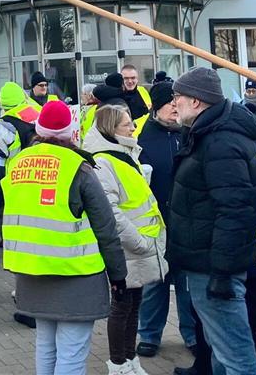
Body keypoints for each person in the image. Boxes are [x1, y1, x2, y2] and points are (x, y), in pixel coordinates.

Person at [2, 100, 128, 375]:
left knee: (46, 345)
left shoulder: (16, 164)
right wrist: (118, 276)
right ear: (71, 132)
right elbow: (105, 227)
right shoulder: (78, 167)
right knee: (72, 352)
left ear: (38, 129)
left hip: (31, 272)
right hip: (75, 276)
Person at [166, 67, 256, 375]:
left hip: (214, 266)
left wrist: (221, 272)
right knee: (222, 349)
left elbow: (234, 210)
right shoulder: (207, 134)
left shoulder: (220, 143)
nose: (173, 104)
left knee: (235, 355)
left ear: (196, 102)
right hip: (206, 261)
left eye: (177, 97)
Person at [84, 102, 165, 375]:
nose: (132, 127)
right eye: (126, 124)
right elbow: (110, 211)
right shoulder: (104, 161)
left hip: (138, 246)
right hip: (127, 247)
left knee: (134, 305)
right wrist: (139, 242)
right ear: (111, 129)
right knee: (122, 306)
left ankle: (130, 359)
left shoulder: (125, 155)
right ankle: (118, 364)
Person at [134, 81, 197, 358]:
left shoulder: (189, 133)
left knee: (186, 284)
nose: (175, 106)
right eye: (169, 102)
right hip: (155, 223)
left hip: (186, 221)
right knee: (155, 283)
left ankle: (192, 333)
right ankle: (149, 335)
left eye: (177, 101)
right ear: (156, 107)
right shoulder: (142, 138)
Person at [0, 82, 40, 243]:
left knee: (14, 236)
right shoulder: (39, 114)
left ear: (1, 102)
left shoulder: (3, 126)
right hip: (42, 178)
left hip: (15, 184)